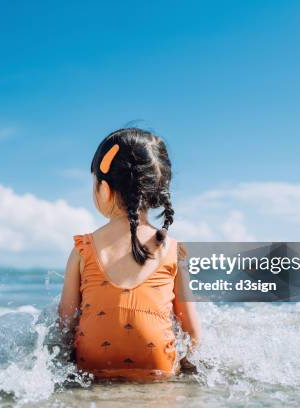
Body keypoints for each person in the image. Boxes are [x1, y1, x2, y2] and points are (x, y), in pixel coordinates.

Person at [58, 127, 200, 381]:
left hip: (91, 368)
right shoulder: (172, 250)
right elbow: (192, 333)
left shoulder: (82, 249)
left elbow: (65, 325)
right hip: (159, 368)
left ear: (104, 188)